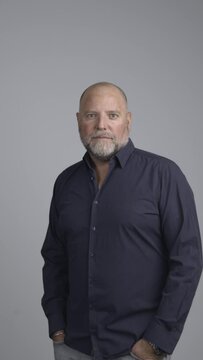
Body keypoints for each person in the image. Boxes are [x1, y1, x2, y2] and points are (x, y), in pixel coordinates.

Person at [41, 82, 202, 360]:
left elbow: (188, 261)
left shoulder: (164, 176)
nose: (102, 124)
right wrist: (57, 326)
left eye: (112, 115)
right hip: (73, 347)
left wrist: (157, 340)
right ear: (79, 121)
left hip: (135, 351)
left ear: (128, 120)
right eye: (91, 115)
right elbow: (55, 257)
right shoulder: (66, 183)